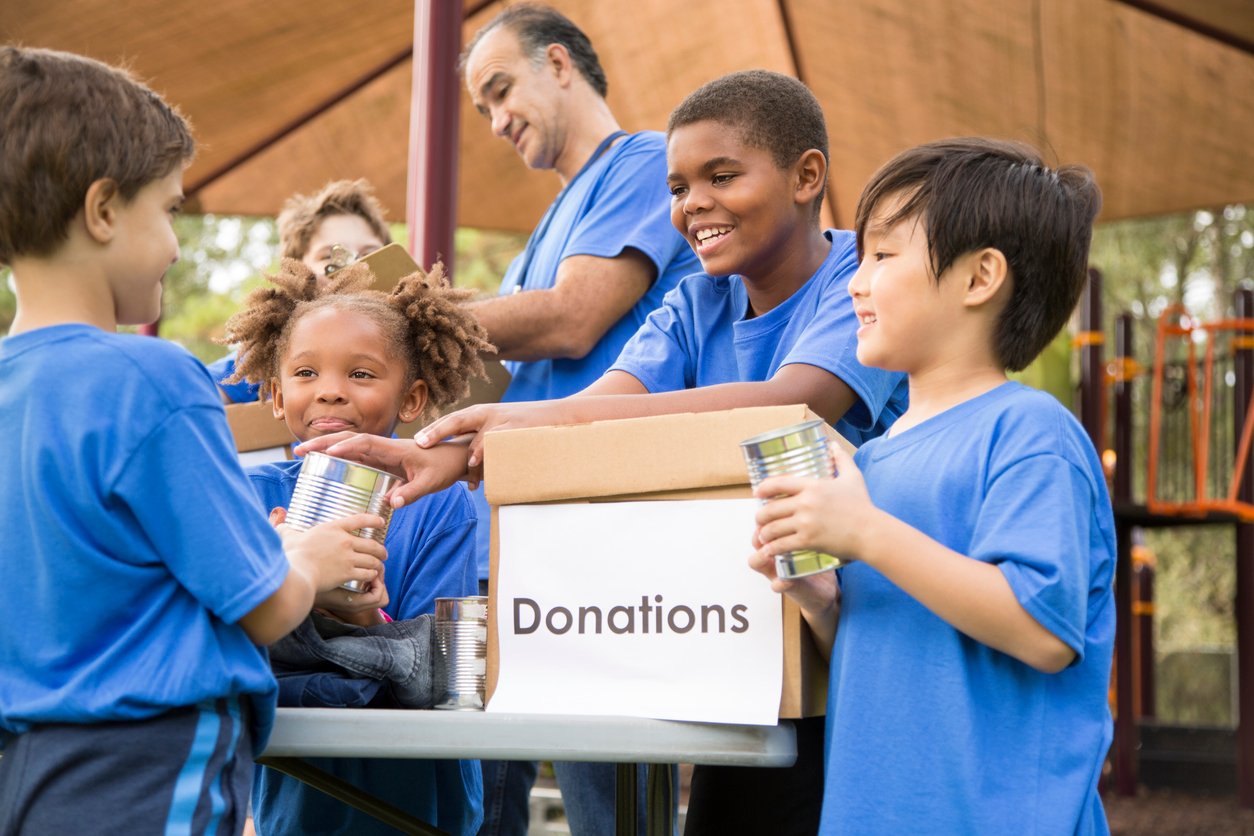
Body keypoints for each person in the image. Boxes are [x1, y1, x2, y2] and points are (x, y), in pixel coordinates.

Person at [299, 69, 909, 836]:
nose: (693, 206)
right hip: (732, 635)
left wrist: (539, 430)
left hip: (851, 646)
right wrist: (459, 448)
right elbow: (594, 408)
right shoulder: (694, 301)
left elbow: (794, 406)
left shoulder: (864, 276)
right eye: (680, 187)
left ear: (806, 176)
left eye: (722, 177)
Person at [0, 46, 386, 835]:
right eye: (169, 210)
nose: (177, 245)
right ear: (104, 209)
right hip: (146, 770)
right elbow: (267, 607)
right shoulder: (156, 380)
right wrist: (309, 559)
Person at [749, 138, 1113, 833]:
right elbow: (892, 647)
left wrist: (864, 534)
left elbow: (1042, 630)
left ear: (980, 279)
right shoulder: (873, 461)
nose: (856, 281)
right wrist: (823, 603)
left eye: (884, 256)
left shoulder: (1031, 431)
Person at [457, 5, 701, 833]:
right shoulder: (546, 226)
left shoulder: (640, 163)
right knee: (490, 787)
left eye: (500, 91)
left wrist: (422, 315)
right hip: (516, 528)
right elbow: (501, 357)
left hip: (599, 530)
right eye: (482, 108)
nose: (494, 122)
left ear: (559, 63)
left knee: (612, 799)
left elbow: (570, 319)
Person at [220, 258, 493, 835]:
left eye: (362, 375)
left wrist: (364, 612)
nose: (331, 394)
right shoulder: (247, 499)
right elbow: (231, 655)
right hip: (301, 793)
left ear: (413, 398)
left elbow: (452, 679)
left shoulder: (438, 501)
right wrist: (287, 577)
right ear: (274, 394)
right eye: (306, 374)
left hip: (416, 797)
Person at [209, 178, 393, 404]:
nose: (352, 267)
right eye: (329, 256)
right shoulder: (272, 355)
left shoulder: (408, 352)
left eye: (368, 255)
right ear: (295, 271)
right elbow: (198, 397)